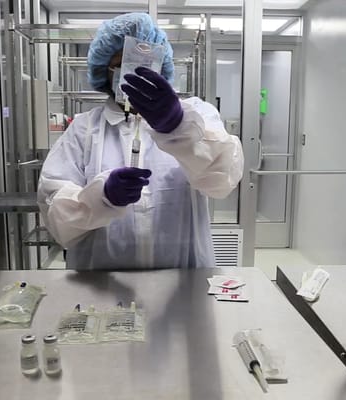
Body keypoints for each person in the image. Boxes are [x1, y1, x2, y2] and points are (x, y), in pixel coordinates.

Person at [37, 12, 244, 270]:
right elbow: (57, 218)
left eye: (145, 65)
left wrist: (178, 128)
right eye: (121, 65)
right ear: (105, 71)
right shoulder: (83, 129)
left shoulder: (196, 115)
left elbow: (223, 180)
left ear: (160, 68)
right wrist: (102, 197)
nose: (133, 74)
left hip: (182, 284)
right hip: (101, 287)